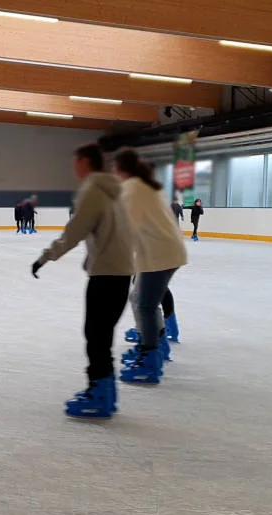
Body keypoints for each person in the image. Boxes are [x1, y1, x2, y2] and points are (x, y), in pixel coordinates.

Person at [31, 143, 134, 419]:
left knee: (95, 335)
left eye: (75, 162)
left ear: (85, 162)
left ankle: (99, 394)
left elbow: (74, 232)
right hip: (123, 272)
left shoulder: (92, 191)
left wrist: (45, 256)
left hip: (105, 274)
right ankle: (106, 393)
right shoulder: (117, 191)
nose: (74, 168)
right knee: (102, 335)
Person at [113, 148, 187, 384]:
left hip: (159, 254)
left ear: (121, 169)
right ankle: (156, 344)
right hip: (159, 251)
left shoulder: (133, 187)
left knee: (144, 303)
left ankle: (150, 360)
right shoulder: (147, 185)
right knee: (141, 299)